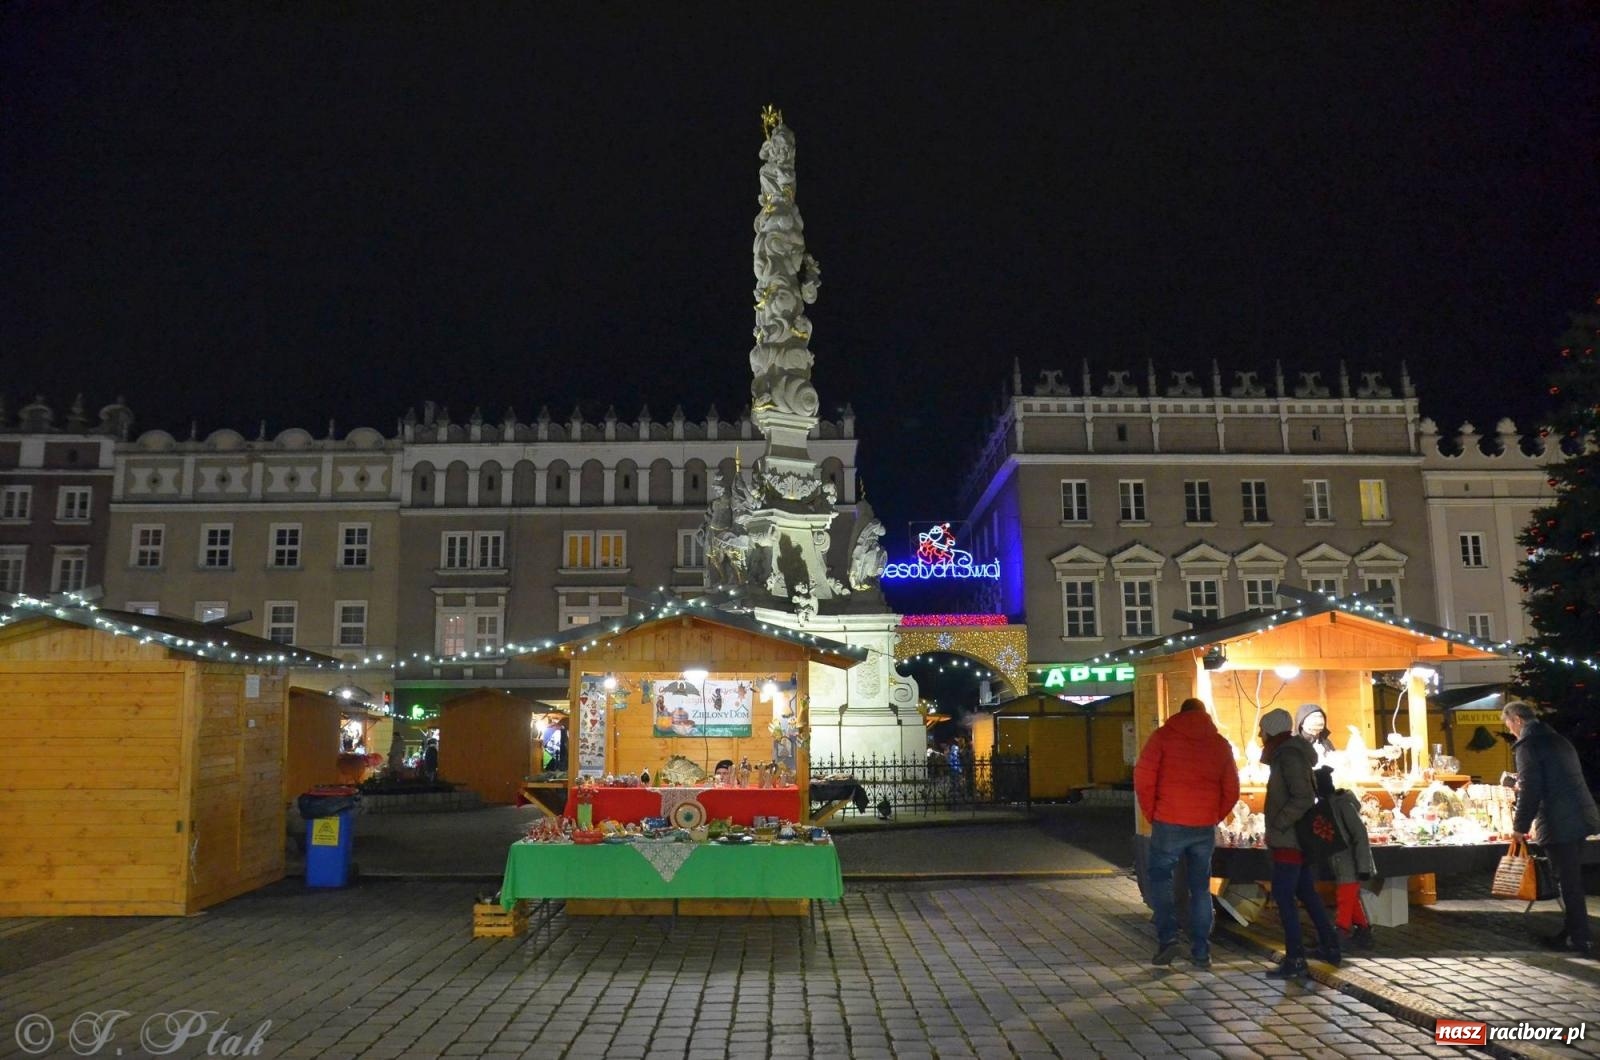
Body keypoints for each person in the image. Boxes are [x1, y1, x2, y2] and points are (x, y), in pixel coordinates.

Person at [1134, 696, 1240, 969]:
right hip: (1203, 826)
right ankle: (1201, 950)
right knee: (1200, 888)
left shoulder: (1162, 738)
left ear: (1180, 714)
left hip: (1168, 821)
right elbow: (1232, 789)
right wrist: (1214, 815)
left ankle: (1168, 939)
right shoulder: (1219, 744)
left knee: (1160, 879)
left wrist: (1152, 813)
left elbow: (1144, 778)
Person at [1502, 699, 1600, 956]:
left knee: (1568, 882)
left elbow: (1533, 790)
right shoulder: (1557, 740)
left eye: (1509, 725)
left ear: (1518, 720)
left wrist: (1519, 826)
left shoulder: (1528, 746)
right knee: (1571, 879)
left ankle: (1580, 938)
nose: (1511, 730)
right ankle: (1573, 932)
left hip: (1560, 821)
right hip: (1581, 815)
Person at [1260, 707, 1342, 980]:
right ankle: (1330, 946)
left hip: (1290, 840)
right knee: (1306, 892)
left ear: (1271, 731)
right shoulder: (1289, 754)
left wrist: (1279, 823)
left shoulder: (1288, 756)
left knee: (1284, 897)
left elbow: (1303, 797)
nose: (1260, 736)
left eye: (1263, 730)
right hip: (1295, 838)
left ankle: (1295, 959)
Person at [1315, 766, 1376, 949]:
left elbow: (1359, 834)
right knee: (1350, 897)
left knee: (1345, 896)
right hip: (1342, 861)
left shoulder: (1341, 805)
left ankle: (1340, 932)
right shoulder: (1332, 805)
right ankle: (1363, 930)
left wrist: (1364, 866)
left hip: (1348, 861)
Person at [1294, 703, 1336, 768]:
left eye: (1320, 717)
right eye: (1313, 717)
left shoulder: (1326, 742)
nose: (1315, 733)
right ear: (1301, 724)